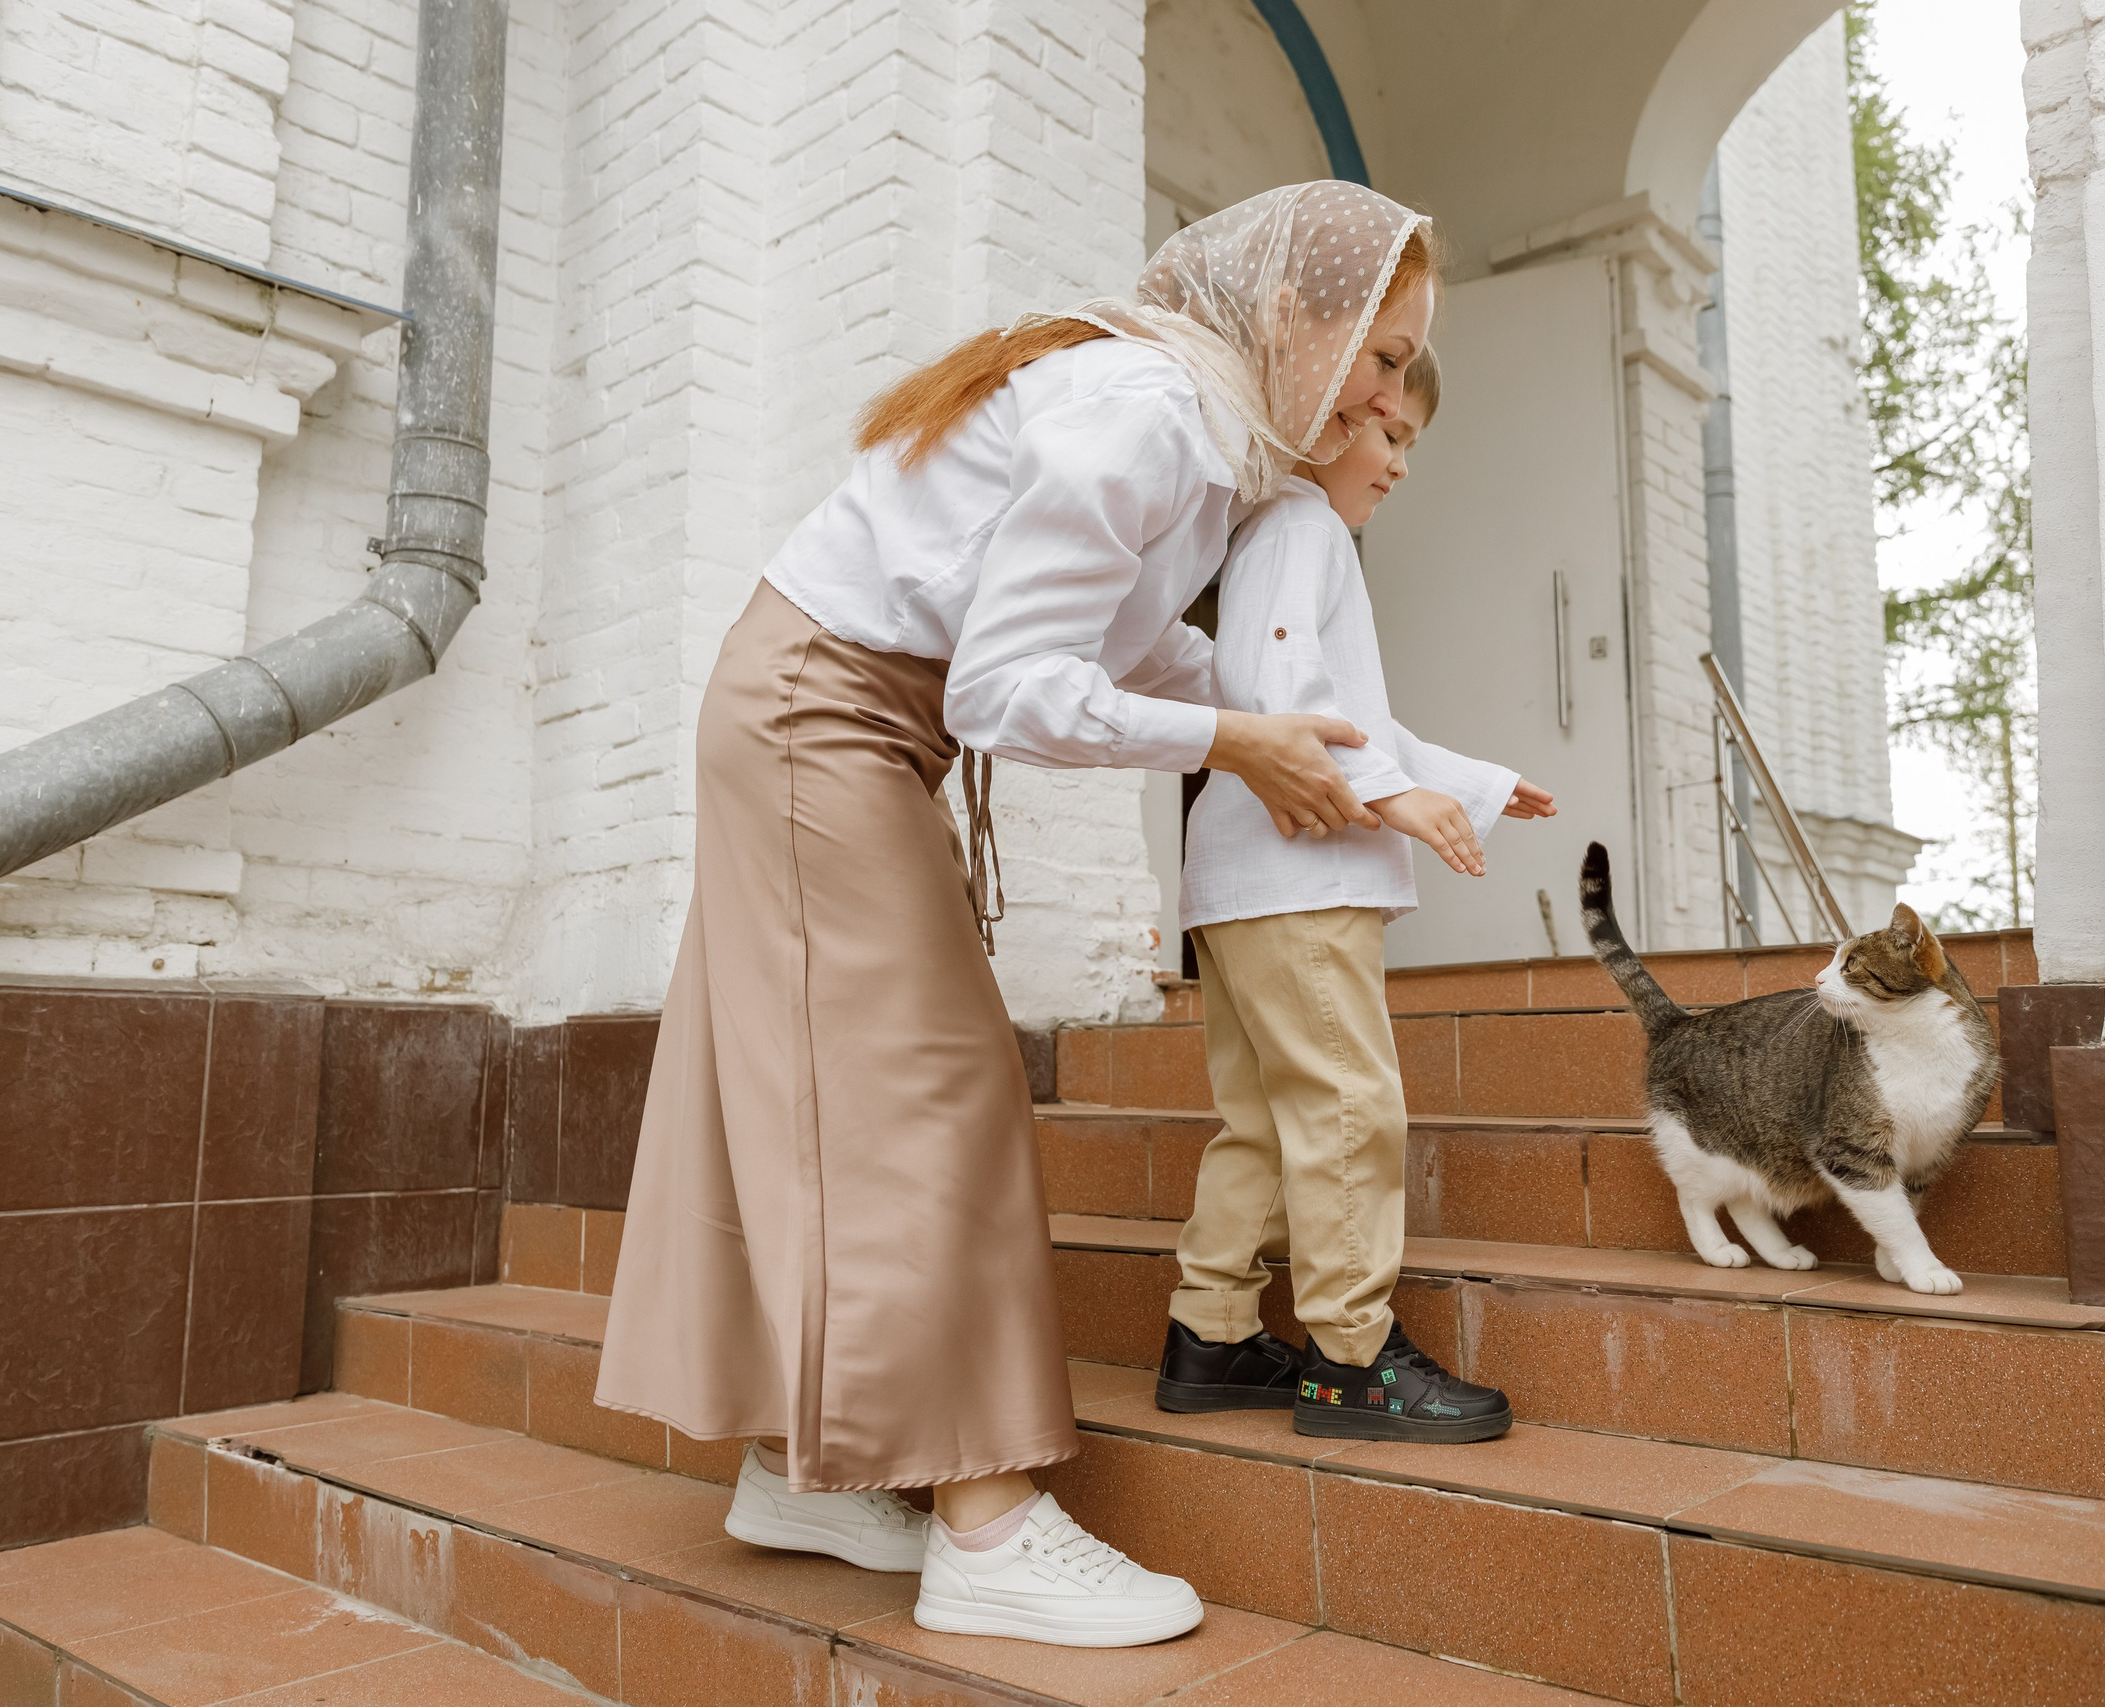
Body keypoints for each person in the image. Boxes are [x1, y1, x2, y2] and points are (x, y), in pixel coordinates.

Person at [593, 181, 1443, 1649]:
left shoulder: (1206, 436)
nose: (1386, 399)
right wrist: (1244, 747)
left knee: (805, 1078)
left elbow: (1135, 651)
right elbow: (1003, 689)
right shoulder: (1152, 412)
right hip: (829, 709)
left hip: (824, 704)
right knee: (934, 1081)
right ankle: (985, 1525)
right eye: (1383, 356)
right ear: (1300, 319)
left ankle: (803, 1470)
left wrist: (1339, 748)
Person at [1155, 349, 1557, 1442]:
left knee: (1261, 1118)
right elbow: (1278, 698)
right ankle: (1348, 1355)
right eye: (1389, 433)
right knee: (1346, 1106)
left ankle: (1215, 1333)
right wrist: (1390, 797)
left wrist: (1463, 783)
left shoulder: (1275, 538)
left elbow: (1342, 720)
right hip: (1299, 874)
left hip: (1242, 885)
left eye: (1409, 442)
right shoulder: (1301, 529)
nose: (1400, 464)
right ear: (1330, 424)